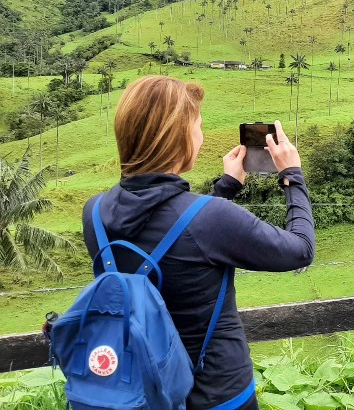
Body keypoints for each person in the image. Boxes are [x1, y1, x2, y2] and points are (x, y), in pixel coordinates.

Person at [82, 75, 314, 409]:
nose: (201, 138)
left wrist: (226, 187)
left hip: (138, 391)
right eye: (198, 127)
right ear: (178, 138)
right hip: (218, 395)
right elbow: (300, 249)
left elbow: (177, 232)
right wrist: (292, 176)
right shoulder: (211, 218)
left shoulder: (94, 213)